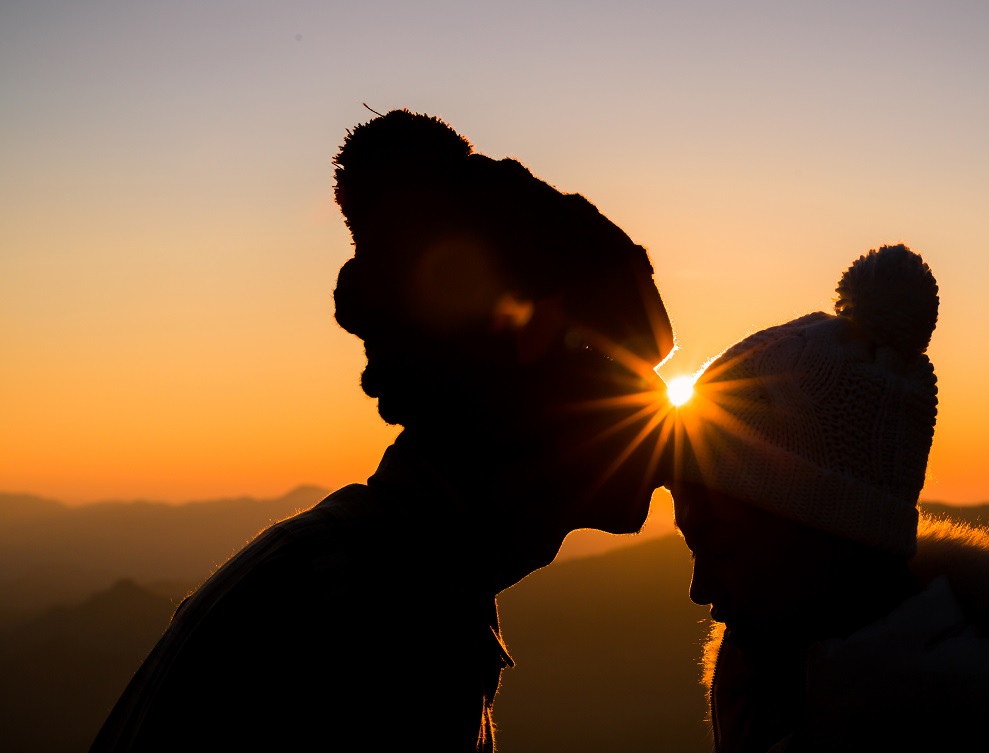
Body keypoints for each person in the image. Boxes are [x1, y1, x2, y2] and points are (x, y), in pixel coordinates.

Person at [89, 108, 677, 752]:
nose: (641, 482)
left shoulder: (390, 579)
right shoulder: (374, 617)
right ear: (520, 428)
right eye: (613, 418)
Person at [670, 244, 989, 752]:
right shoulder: (774, 684)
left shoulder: (972, 730)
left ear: (832, 531)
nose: (700, 588)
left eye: (723, 548)